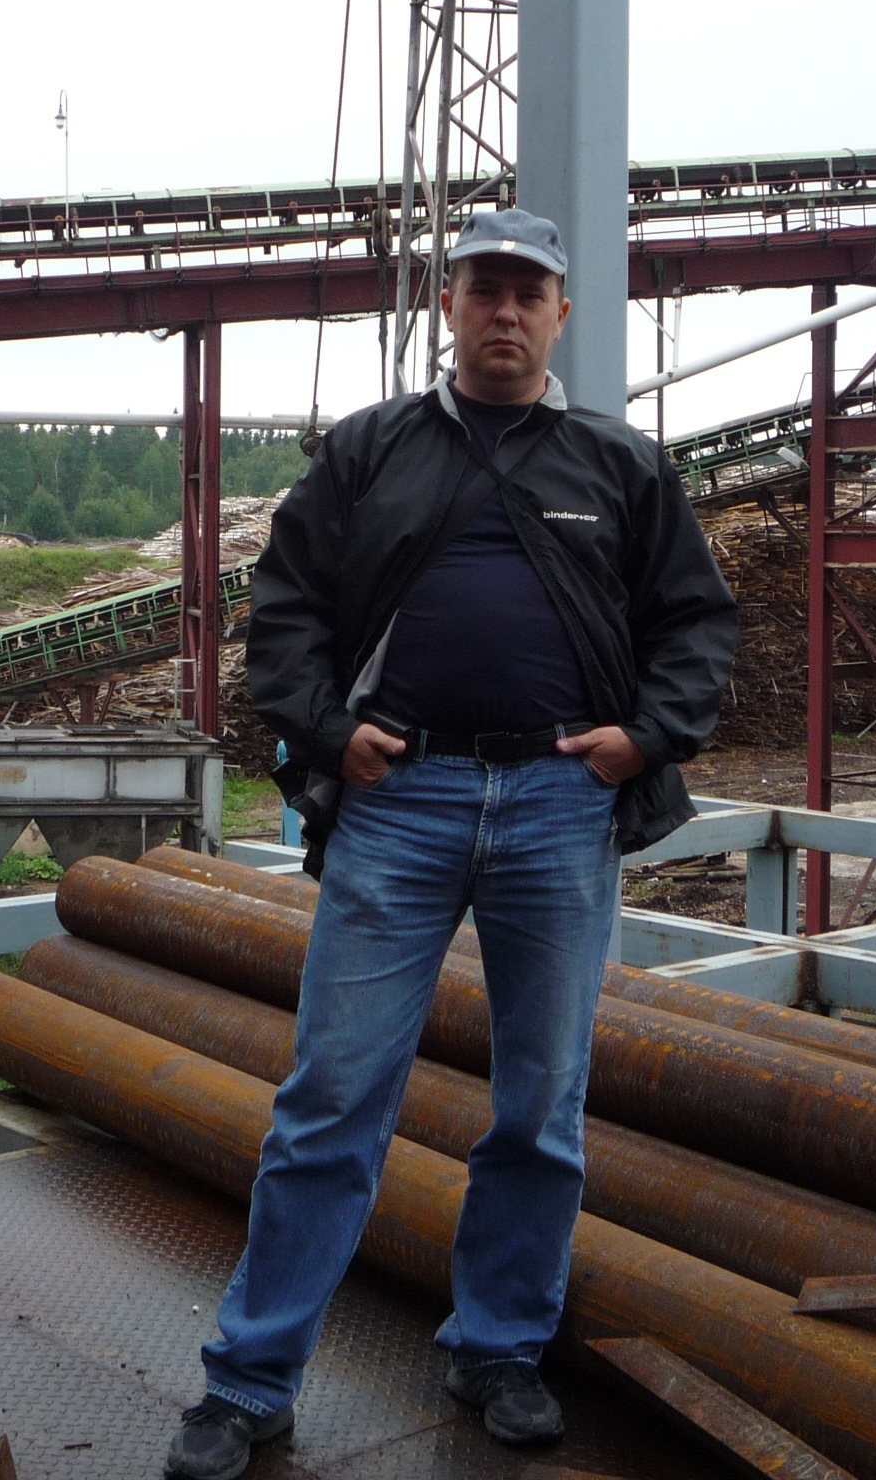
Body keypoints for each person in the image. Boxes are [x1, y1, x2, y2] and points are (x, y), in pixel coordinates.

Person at [164, 208, 739, 1479]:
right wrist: (328, 731)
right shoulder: (371, 450)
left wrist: (646, 738)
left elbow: (696, 620)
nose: (506, 313)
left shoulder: (618, 465)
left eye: (529, 293)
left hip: (557, 806)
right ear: (450, 303)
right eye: (485, 290)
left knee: (540, 1104)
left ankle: (499, 1349)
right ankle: (250, 1380)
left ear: (561, 313)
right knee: (332, 1099)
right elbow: (287, 607)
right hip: (400, 803)